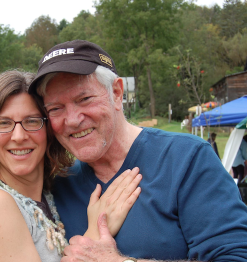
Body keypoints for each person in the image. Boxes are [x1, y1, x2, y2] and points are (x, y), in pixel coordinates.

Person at [28, 40, 247, 262]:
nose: (73, 120)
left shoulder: (187, 159)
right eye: (56, 108)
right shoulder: (58, 187)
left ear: (116, 92)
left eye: (84, 99)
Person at [0, 70, 141, 262]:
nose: (18, 136)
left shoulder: (49, 196)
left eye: (32, 121)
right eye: (3, 123)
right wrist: (97, 230)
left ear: (50, 130)